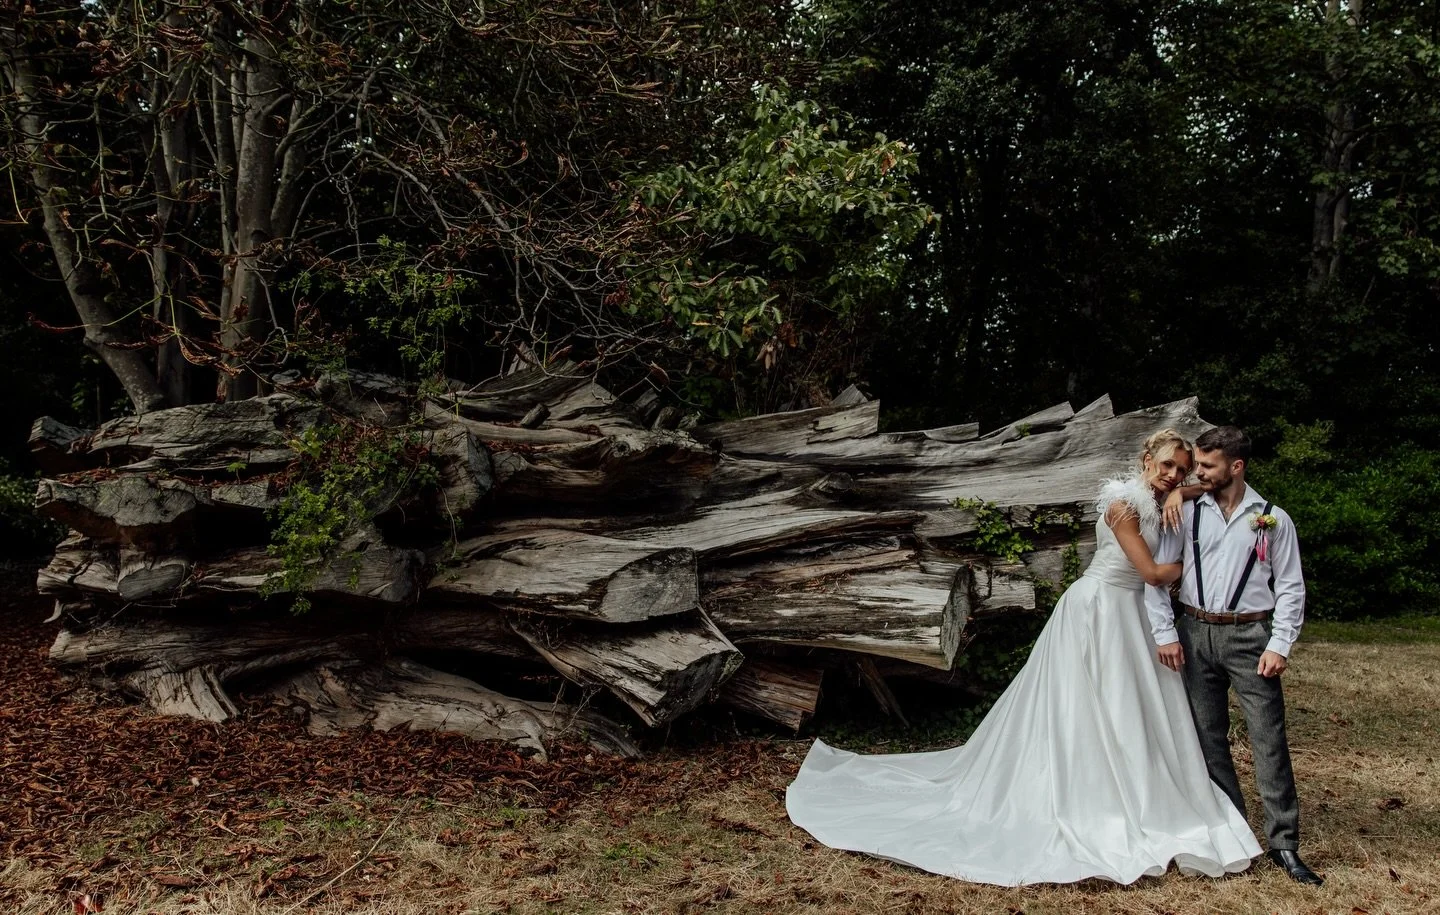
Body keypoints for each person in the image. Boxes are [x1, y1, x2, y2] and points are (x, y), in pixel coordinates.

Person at [786, 430, 1262, 886]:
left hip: (1132, 616)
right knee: (1086, 706)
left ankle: (1144, 787)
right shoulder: (1123, 507)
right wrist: (1210, 559)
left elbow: (1207, 482)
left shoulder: (1166, 498)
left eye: (1181, 470)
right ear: (1145, 462)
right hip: (1100, 610)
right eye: (1167, 467)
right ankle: (1089, 797)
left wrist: (1188, 489)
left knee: (1132, 706)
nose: (1174, 475)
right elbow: (1155, 573)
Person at [1153, 426, 1322, 886]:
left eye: (1207, 466)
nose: (1196, 473)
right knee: (1208, 740)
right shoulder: (1186, 511)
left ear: (1236, 466)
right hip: (1192, 632)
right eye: (1197, 466)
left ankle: (1284, 844)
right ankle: (1233, 833)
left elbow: (1290, 587)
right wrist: (1166, 631)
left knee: (1269, 740)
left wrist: (1279, 644)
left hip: (1250, 636)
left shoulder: (1273, 518)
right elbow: (1157, 575)